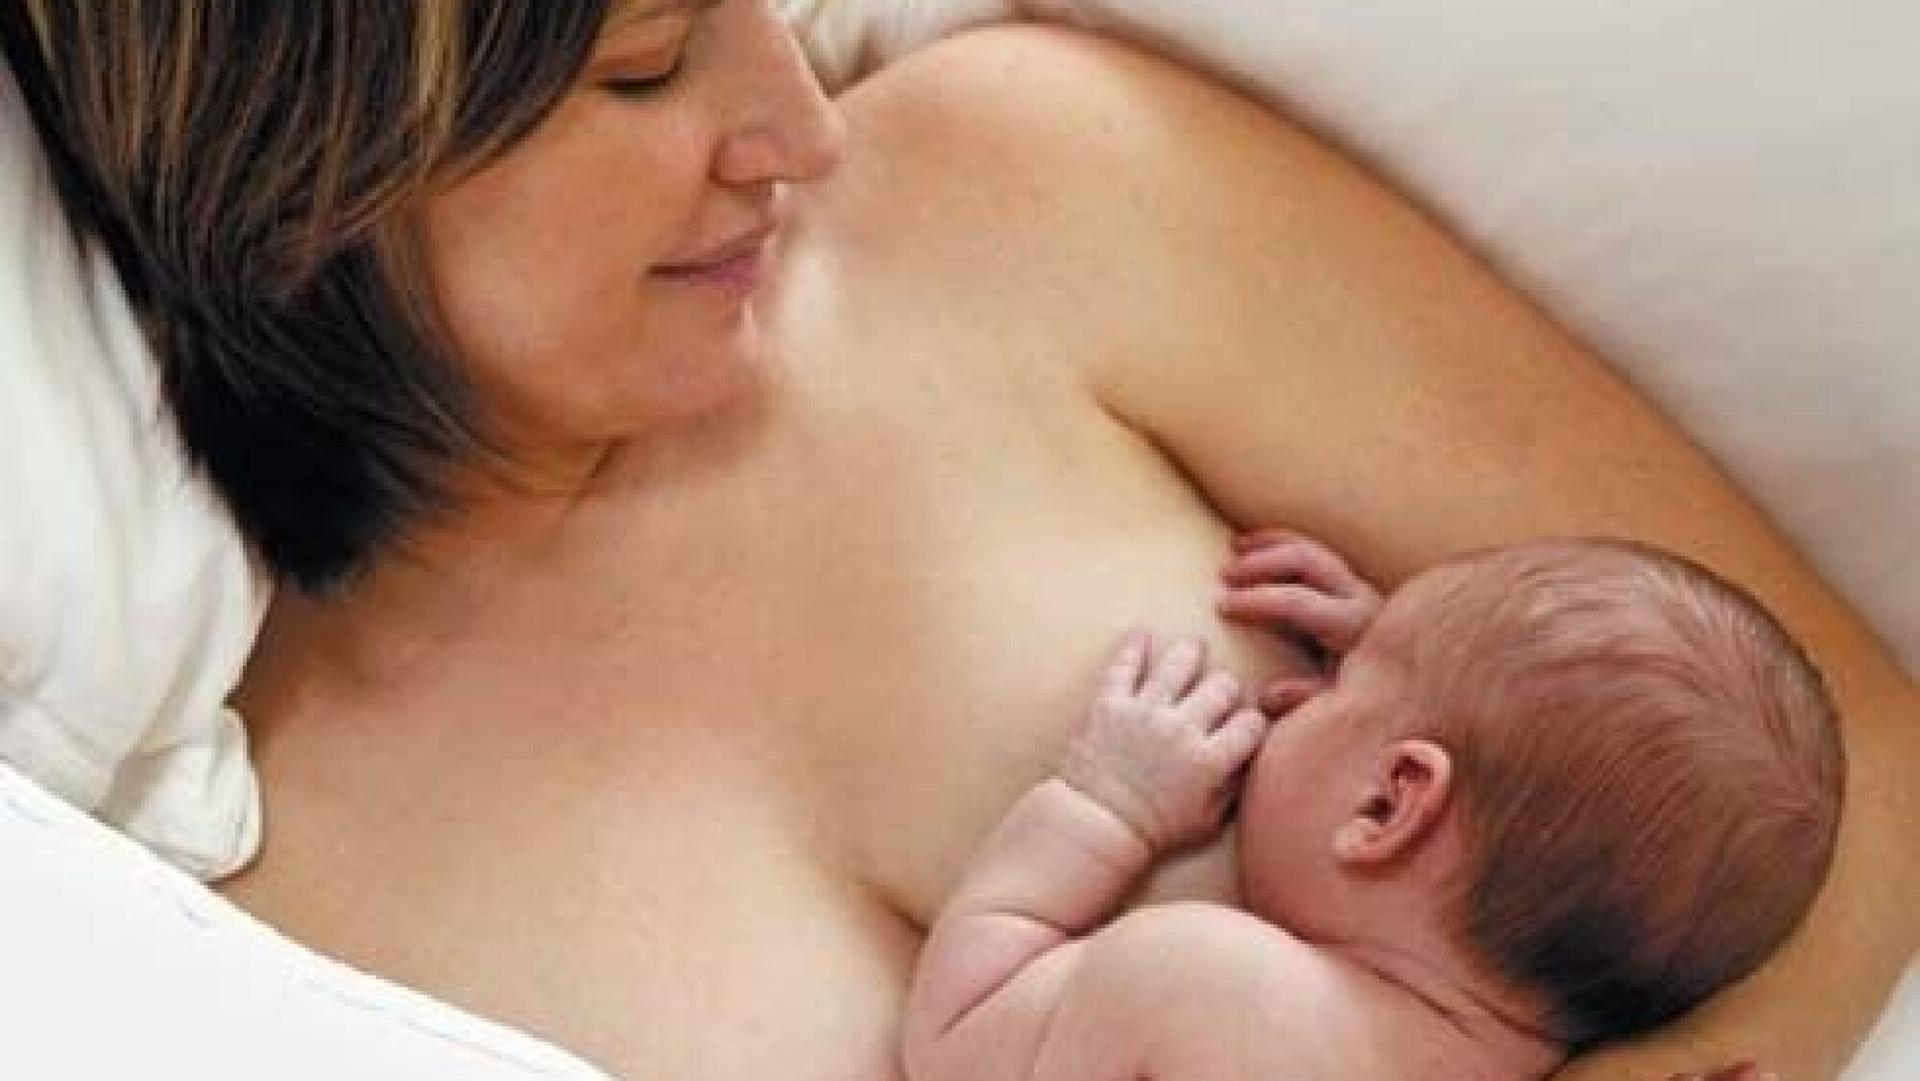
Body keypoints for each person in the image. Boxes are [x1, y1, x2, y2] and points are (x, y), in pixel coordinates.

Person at [2, 3, 1911, 1079]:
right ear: (304, 175)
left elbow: (1854, 766)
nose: (800, 126)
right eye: (648, 66)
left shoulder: (1033, 191)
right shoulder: (258, 908)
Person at [902, 531, 1843, 1081]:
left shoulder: (1202, 980)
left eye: (1341, 681)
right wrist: (1412, 674)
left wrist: (1105, 804)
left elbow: (955, 1040)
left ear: (1392, 802)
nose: (1298, 693)